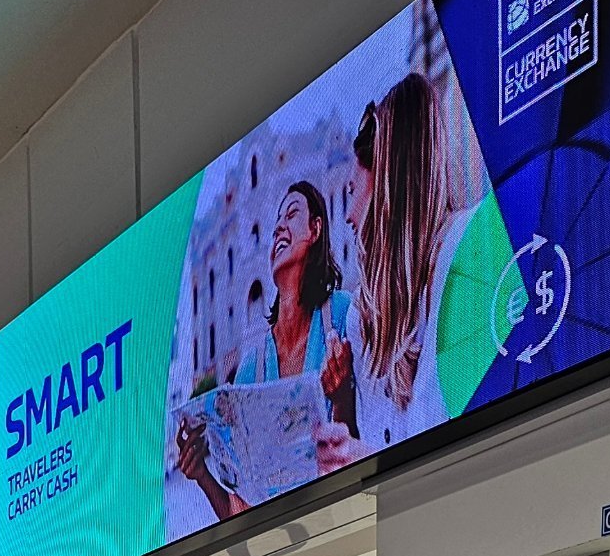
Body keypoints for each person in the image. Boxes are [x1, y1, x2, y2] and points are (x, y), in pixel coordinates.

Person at [175, 179, 359, 520]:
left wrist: (342, 399)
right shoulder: (251, 368)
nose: (278, 228)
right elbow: (243, 512)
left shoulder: (343, 316)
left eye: (291, 215)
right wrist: (201, 474)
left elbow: (368, 456)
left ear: (316, 229)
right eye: (276, 222)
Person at [319, 73, 457, 472]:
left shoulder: (461, 256)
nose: (348, 216)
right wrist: (342, 400)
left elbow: (446, 450)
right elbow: (373, 453)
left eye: (352, 191)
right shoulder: (361, 318)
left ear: (386, 179)